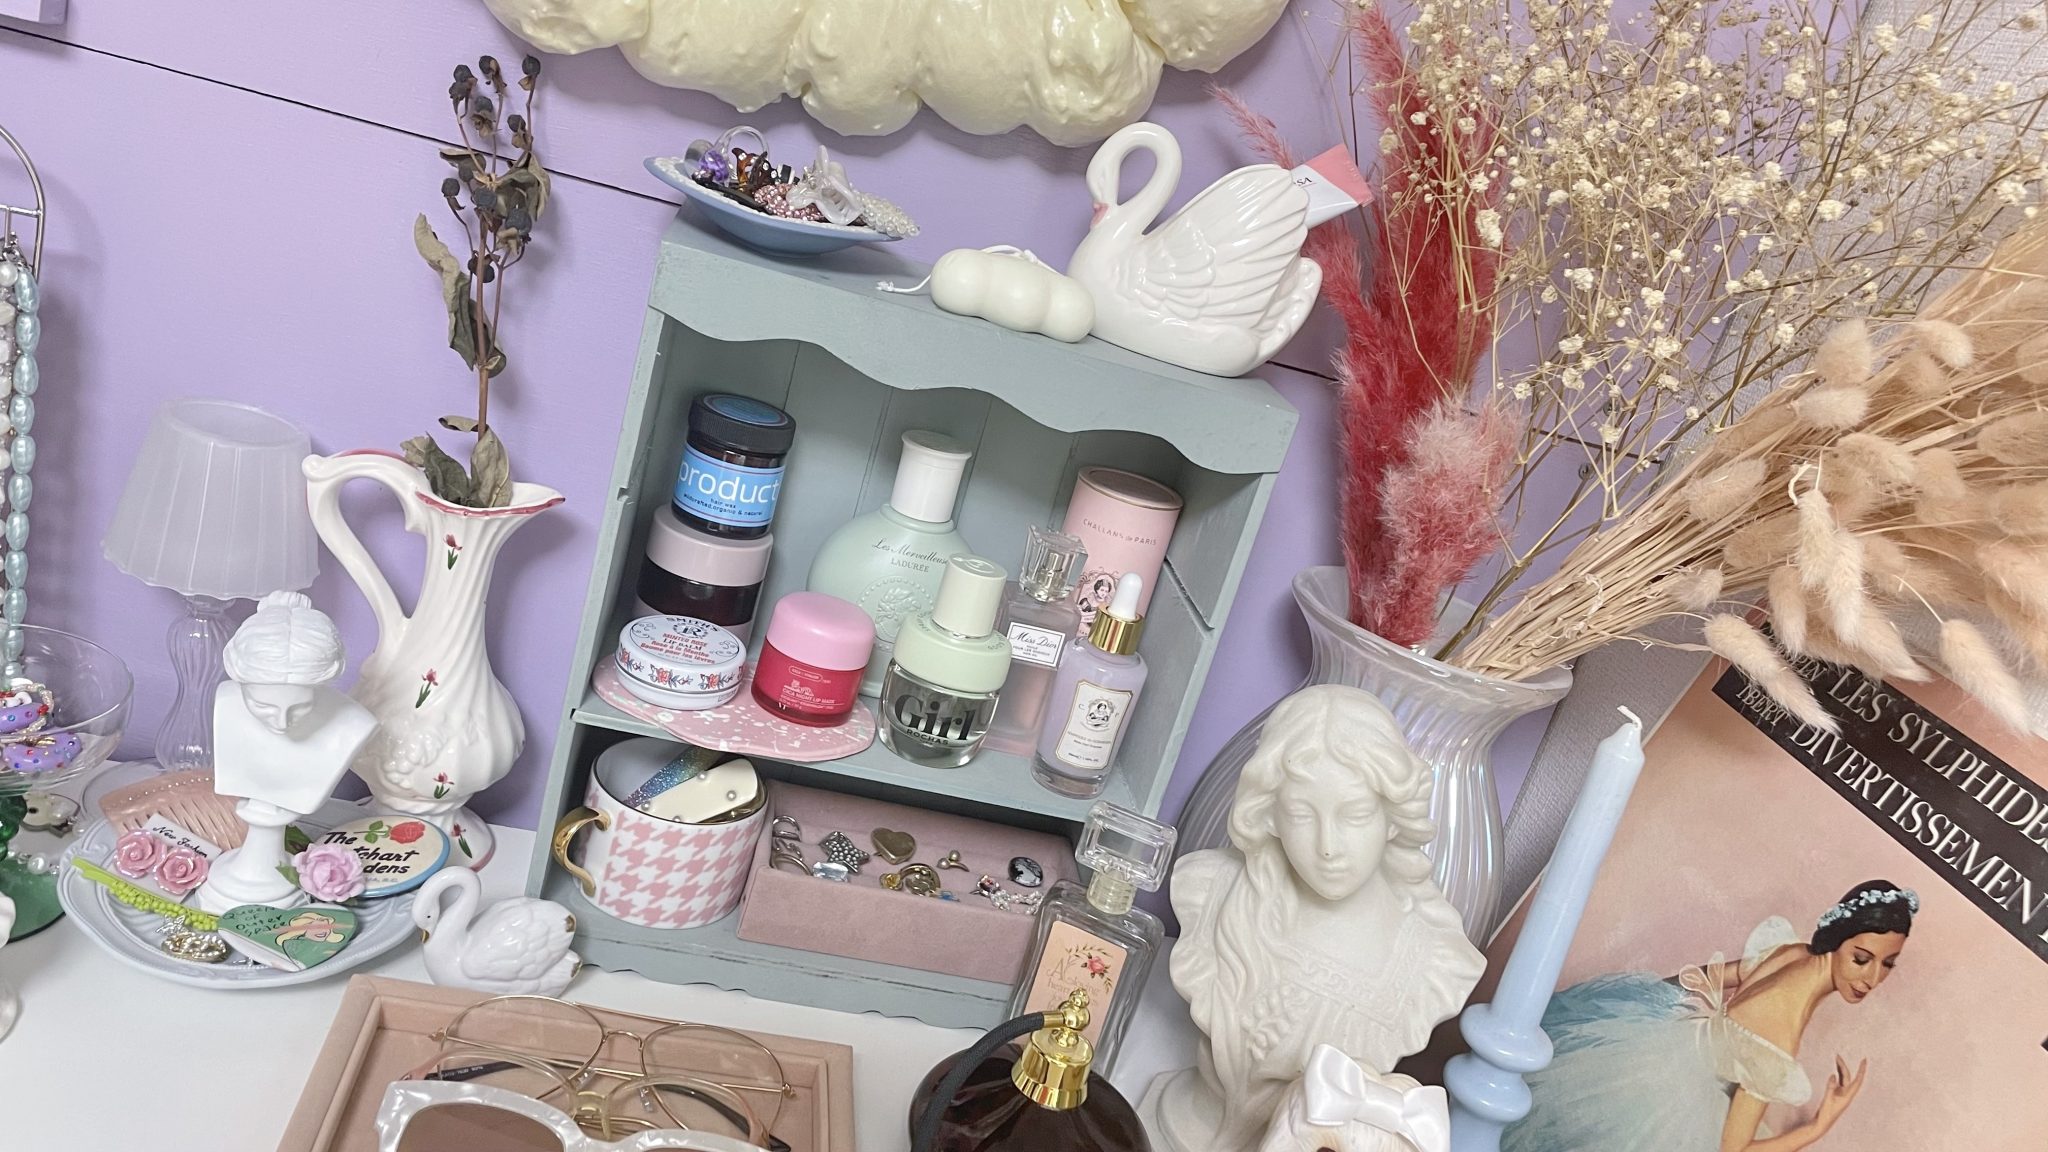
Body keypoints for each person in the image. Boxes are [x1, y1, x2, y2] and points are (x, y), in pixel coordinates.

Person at [1161, 685, 1484, 1152]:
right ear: (1269, 814)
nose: (1328, 846)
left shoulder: (1435, 957)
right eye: (1300, 814)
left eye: (1355, 814)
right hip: (1182, 1123)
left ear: (1393, 816)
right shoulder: (1211, 892)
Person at [1503, 880, 1916, 1152]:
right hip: (1665, 1101)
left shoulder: (1793, 952)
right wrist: (1817, 1128)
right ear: (1838, 940)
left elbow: (1712, 977)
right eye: (1861, 958)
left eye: (1888, 964)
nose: (1872, 979)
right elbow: (1732, 1150)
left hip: (1659, 1050)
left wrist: (1642, 1006)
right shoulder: (1781, 1033)